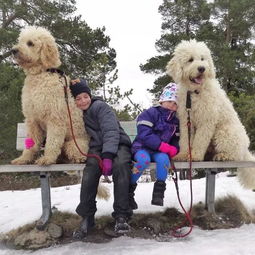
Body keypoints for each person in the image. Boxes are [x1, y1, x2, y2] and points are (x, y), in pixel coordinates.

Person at [70, 78, 133, 239]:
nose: (83, 101)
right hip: (97, 148)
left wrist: (107, 156)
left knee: (121, 166)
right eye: (78, 98)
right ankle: (87, 217)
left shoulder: (100, 107)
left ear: (90, 95)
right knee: (90, 170)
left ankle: (121, 215)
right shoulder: (76, 115)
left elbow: (111, 131)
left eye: (85, 96)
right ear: (73, 101)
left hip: (118, 144)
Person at [129, 83, 180, 209]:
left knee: (164, 160)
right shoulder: (150, 113)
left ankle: (159, 193)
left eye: (175, 104)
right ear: (162, 100)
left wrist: (175, 148)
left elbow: (176, 138)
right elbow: (144, 133)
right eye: (169, 101)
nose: (172, 105)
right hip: (142, 147)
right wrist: (161, 146)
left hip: (159, 152)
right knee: (143, 161)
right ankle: (128, 192)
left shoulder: (175, 120)